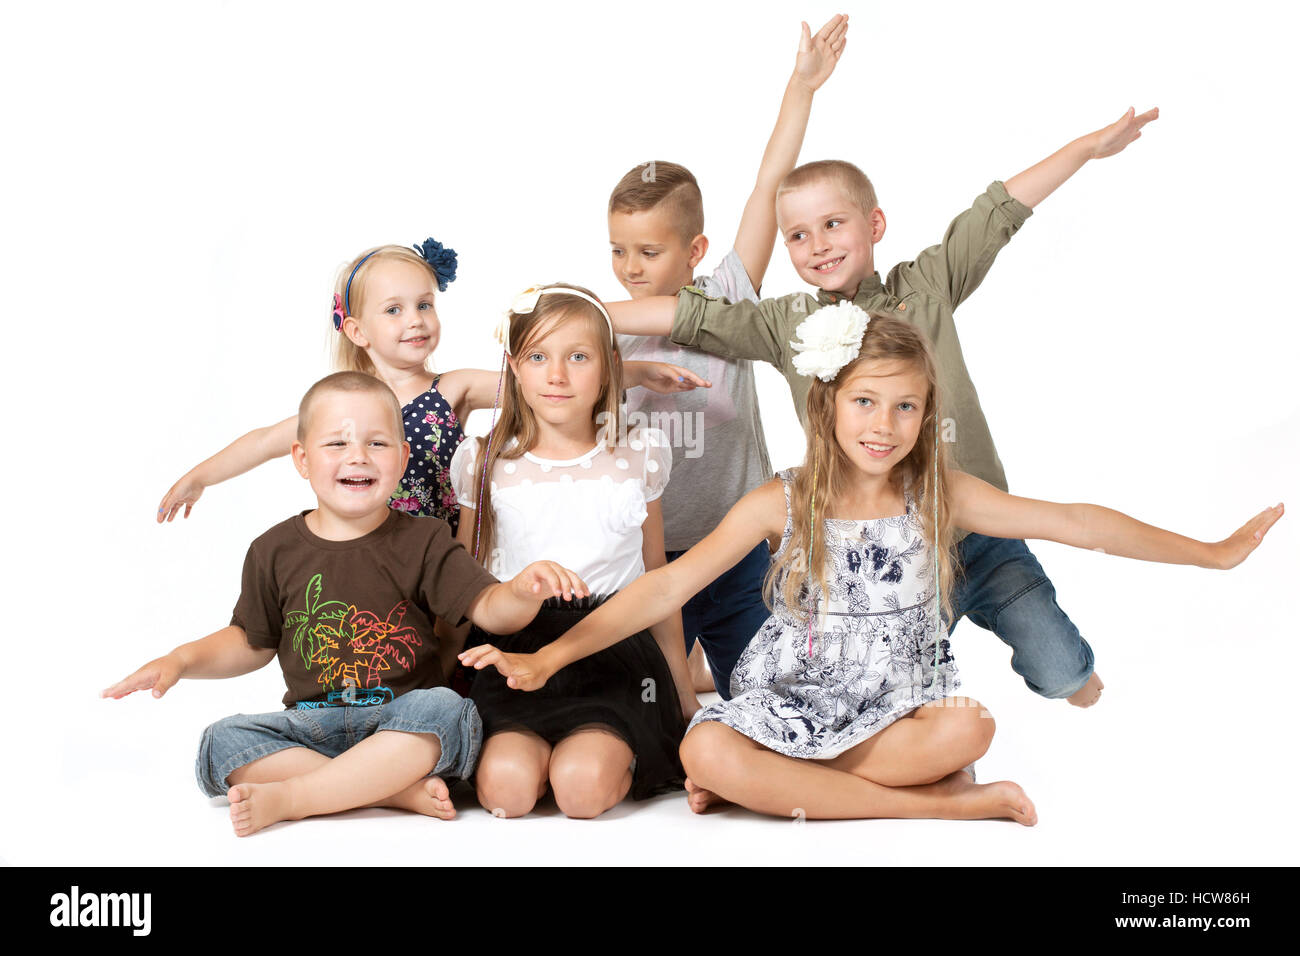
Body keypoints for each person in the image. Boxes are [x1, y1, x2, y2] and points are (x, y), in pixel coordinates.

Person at [460, 313, 1282, 823]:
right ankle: (943, 808)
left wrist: (1211, 554)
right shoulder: (780, 499)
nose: (883, 425)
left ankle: (791, 788)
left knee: (971, 726)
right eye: (864, 401)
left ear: (927, 414)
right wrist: (550, 655)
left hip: (899, 702)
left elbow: (1073, 523)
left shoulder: (937, 492)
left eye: (905, 406)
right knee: (707, 754)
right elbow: (666, 584)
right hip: (791, 698)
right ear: (827, 404)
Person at [609, 106, 1160, 707]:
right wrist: (563, 317)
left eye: (833, 225)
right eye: (797, 236)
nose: (816, 246)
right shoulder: (787, 322)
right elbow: (686, 315)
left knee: (1064, 674)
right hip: (891, 557)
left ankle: (1082, 680)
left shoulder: (925, 286)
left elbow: (997, 212)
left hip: (982, 530)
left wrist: (1084, 148)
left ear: (874, 223)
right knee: (883, 698)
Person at [106, 371, 590, 836]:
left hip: (402, 722)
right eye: (336, 443)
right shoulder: (272, 550)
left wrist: (521, 591)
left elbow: (487, 606)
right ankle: (391, 792)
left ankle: (296, 798)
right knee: (220, 741)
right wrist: (179, 660)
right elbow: (250, 642)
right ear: (301, 459)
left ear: (402, 459)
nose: (357, 456)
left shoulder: (425, 539)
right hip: (311, 724)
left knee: (447, 709)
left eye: (376, 444)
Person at [608, 14, 847, 695]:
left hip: (738, 552)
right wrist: (628, 368)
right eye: (618, 250)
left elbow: (769, 187)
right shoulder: (610, 326)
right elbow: (536, 360)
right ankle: (690, 674)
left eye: (649, 252)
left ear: (695, 252)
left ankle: (720, 674)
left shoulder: (730, 296)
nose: (630, 268)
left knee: (776, 698)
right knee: (648, 706)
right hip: (654, 557)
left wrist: (801, 89)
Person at [156, 238, 707, 531]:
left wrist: (630, 372)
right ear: (357, 329)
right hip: (368, 542)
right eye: (394, 310)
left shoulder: (453, 389)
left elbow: (539, 385)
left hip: (440, 548)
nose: (416, 319)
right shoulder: (341, 403)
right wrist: (199, 477)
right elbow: (264, 440)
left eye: (424, 304)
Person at [450, 284, 695, 818]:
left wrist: (681, 690)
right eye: (538, 357)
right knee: (507, 791)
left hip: (613, 648)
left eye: (577, 357)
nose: (556, 376)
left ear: (609, 366)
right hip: (515, 647)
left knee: (581, 789)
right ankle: (529, 750)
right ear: (514, 366)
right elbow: (465, 583)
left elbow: (658, 579)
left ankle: (614, 747)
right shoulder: (482, 459)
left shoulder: (639, 452)